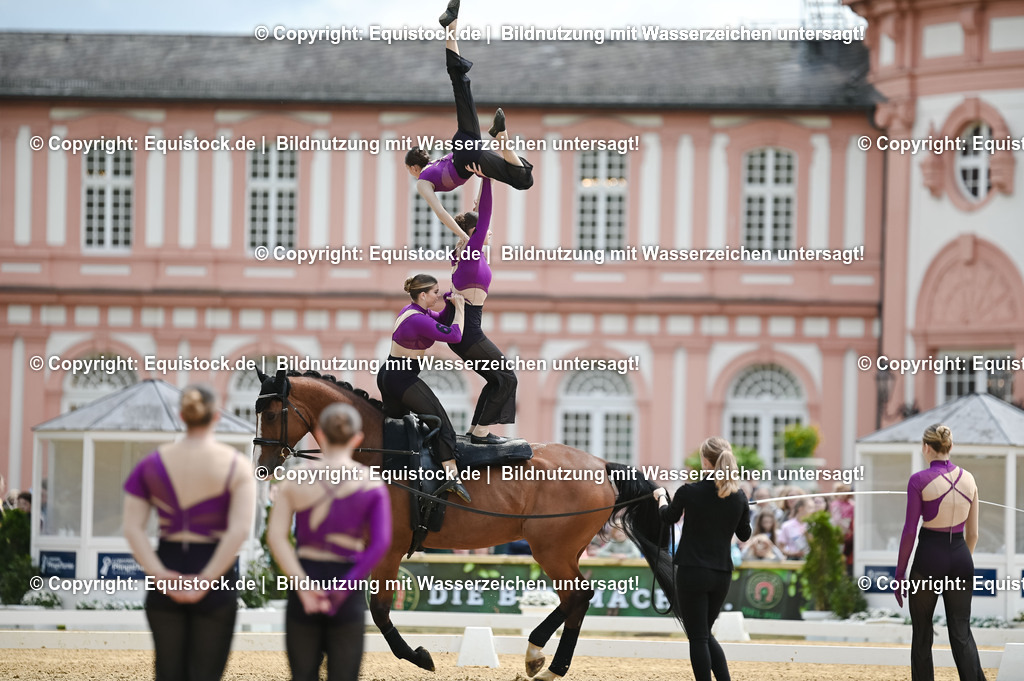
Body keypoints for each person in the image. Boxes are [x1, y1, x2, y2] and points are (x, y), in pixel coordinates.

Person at [123, 385, 255, 681]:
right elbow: (239, 530)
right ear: (216, 416)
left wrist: (159, 574)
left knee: (168, 673)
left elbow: (132, 528)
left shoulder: (151, 463)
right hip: (216, 570)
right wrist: (207, 578)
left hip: (167, 565)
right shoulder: (236, 465)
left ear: (182, 416)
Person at [267, 403, 392, 681]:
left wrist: (304, 587)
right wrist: (342, 589)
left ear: (319, 436)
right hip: (347, 586)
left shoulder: (295, 479)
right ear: (357, 438)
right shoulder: (372, 484)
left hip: (305, 582)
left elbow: (276, 537)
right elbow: (381, 543)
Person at [405, 0, 534, 240]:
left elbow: (441, 212)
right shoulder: (437, 161)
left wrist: (465, 238)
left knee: (524, 180)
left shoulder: (423, 181)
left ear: (414, 167)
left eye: (410, 171)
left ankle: (502, 137)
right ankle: (451, 27)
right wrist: (484, 184)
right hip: (465, 144)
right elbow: (479, 167)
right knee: (460, 86)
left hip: (467, 156)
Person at [653, 437, 751, 681]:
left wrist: (662, 497)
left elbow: (668, 517)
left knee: (697, 637)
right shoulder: (738, 495)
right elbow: (744, 534)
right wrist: (743, 509)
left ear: (706, 462)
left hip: (692, 571)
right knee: (704, 634)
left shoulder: (689, 491)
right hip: (721, 574)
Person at [896, 424, 986, 681]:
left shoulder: (919, 480)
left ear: (926, 447)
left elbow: (909, 531)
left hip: (928, 559)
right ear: (950, 446)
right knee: (961, 633)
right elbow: (974, 534)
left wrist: (900, 573)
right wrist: (960, 559)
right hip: (960, 558)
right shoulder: (969, 479)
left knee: (922, 634)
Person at [376, 273, 472, 503]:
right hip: (401, 378)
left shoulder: (416, 312)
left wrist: (451, 298)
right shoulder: (417, 319)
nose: (438, 296)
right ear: (422, 295)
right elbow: (455, 335)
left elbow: (441, 318)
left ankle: (392, 478)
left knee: (395, 428)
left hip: (391, 375)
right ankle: (452, 478)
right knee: (440, 422)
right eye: (435, 293)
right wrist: (460, 308)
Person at [440, 177, 517, 444]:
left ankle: (476, 430)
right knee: (506, 378)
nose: (489, 232)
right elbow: (485, 213)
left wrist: (483, 188)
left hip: (464, 331)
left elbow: (478, 214)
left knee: (496, 379)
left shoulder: (463, 253)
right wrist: (486, 177)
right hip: (469, 332)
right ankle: (482, 433)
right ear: (474, 232)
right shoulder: (472, 252)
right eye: (483, 230)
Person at [830, 482, 855, 574]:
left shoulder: (851, 504)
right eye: (840, 492)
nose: (843, 494)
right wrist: (846, 529)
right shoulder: (836, 504)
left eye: (845, 491)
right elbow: (837, 519)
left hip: (851, 530)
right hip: (841, 531)